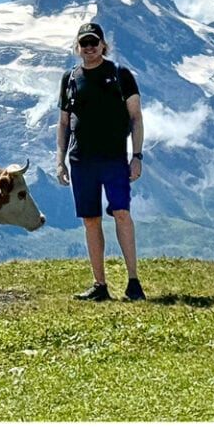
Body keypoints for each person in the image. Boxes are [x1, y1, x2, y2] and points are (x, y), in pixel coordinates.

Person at [56, 22, 146, 302]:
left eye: (94, 42)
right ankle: (100, 285)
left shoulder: (120, 75)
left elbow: (136, 118)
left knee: (121, 213)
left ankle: (133, 282)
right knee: (90, 220)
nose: (90, 47)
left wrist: (137, 156)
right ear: (77, 47)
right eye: (84, 43)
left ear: (103, 45)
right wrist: (60, 160)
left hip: (114, 159)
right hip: (81, 160)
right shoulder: (70, 78)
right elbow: (63, 122)